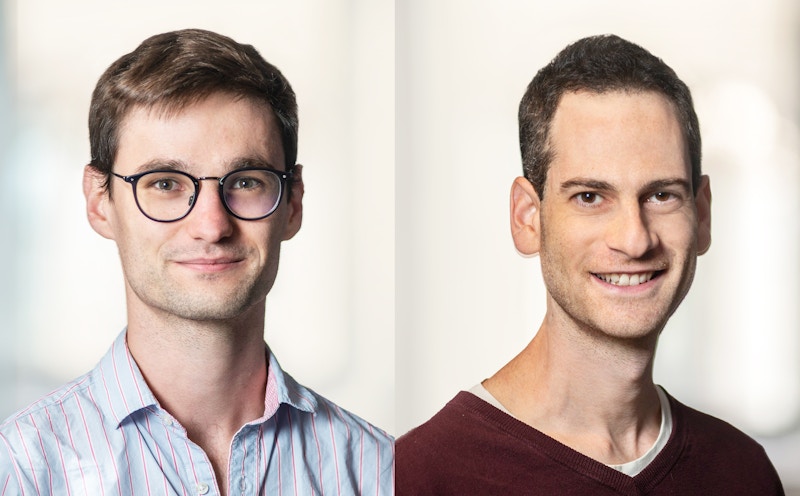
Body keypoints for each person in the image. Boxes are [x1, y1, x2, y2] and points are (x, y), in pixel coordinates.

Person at [0, 29, 393, 495]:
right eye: (165, 183)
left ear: (293, 203)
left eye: (246, 182)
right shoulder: (22, 471)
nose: (211, 225)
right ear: (99, 201)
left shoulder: (378, 470)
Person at [396, 34, 784, 494]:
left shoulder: (742, 471)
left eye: (661, 195)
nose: (634, 239)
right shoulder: (422, 475)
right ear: (528, 218)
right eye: (590, 197)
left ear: (701, 215)